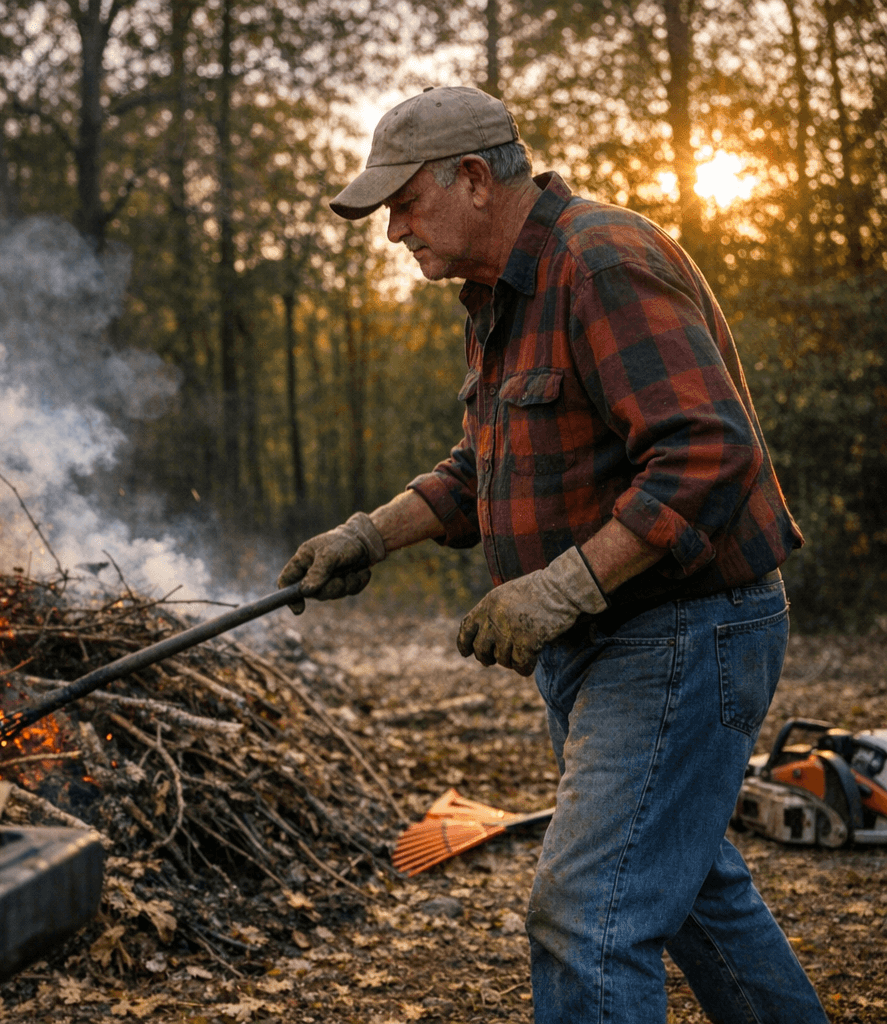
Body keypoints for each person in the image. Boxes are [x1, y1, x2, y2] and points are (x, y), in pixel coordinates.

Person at [277, 86, 826, 1023]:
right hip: (613, 643)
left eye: (404, 204)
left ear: (475, 178)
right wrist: (368, 534)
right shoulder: (499, 296)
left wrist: (563, 587)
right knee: (693, 896)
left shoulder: (600, 260)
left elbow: (708, 452)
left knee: (588, 918)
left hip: (681, 633)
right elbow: (481, 467)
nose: (394, 231)